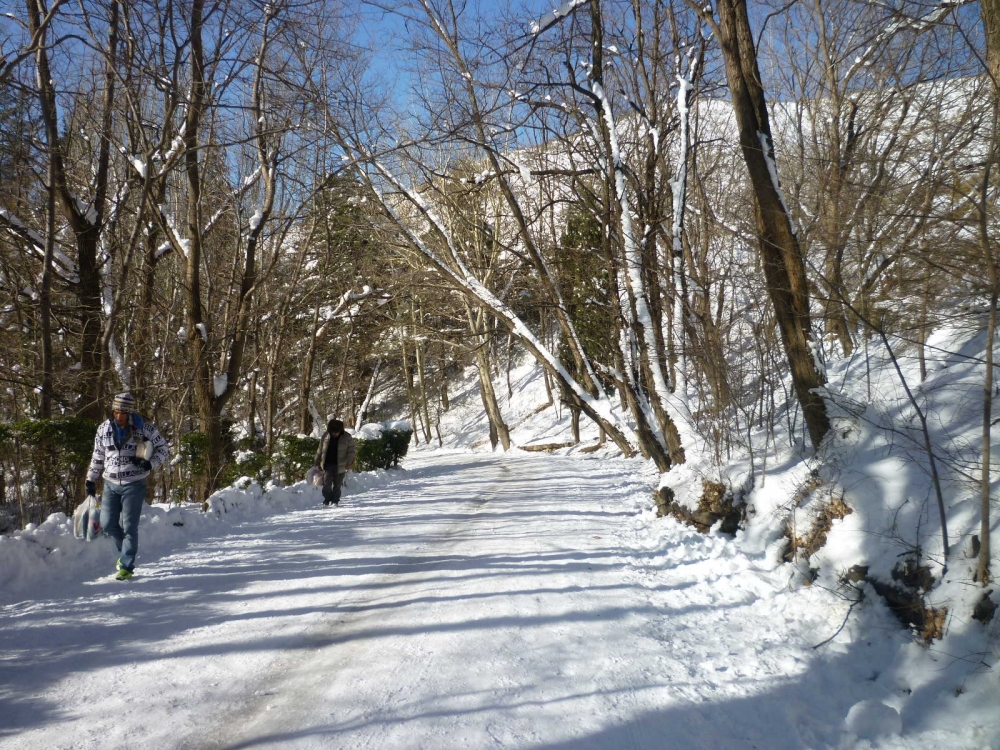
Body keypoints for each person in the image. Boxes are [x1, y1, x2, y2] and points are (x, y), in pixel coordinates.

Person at [85, 393, 169, 580]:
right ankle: (125, 551)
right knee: (107, 524)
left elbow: (163, 448)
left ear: (129, 412)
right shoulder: (104, 429)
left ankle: (126, 566)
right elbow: (98, 455)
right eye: (116, 412)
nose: (119, 416)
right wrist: (91, 478)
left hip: (135, 483)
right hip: (110, 483)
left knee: (130, 526)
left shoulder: (144, 428)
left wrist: (150, 463)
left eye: (123, 412)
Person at [313, 419, 356, 506]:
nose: (334, 434)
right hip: (327, 464)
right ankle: (327, 499)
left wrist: (348, 463)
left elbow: (351, 451)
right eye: (332, 432)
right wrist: (316, 460)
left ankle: (335, 501)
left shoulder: (347, 437)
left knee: (337, 485)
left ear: (340, 430)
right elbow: (320, 449)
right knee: (326, 484)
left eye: (336, 432)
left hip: (341, 465)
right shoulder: (326, 435)